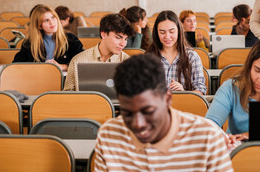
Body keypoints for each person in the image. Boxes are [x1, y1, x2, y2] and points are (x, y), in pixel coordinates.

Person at [94, 54, 233, 172]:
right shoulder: (108, 135)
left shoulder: (207, 137)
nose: (138, 124)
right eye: (127, 113)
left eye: (148, 111)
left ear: (167, 98)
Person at [63, 13, 134, 91]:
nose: (123, 44)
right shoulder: (77, 61)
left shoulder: (127, 62)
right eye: (118, 37)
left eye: (126, 39)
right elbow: (67, 95)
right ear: (103, 34)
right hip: (85, 103)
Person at [147, 10, 207, 95]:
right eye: (162, 32)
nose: (167, 36)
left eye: (171, 31)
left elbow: (200, 90)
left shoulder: (191, 56)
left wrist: (183, 93)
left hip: (184, 106)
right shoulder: (148, 57)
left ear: (179, 31)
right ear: (156, 33)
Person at [13, 4, 83, 71]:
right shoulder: (29, 43)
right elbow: (16, 65)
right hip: (37, 80)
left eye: (53, 17)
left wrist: (63, 66)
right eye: (46, 20)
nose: (52, 22)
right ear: (39, 26)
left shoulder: (71, 39)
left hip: (64, 81)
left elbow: (82, 61)